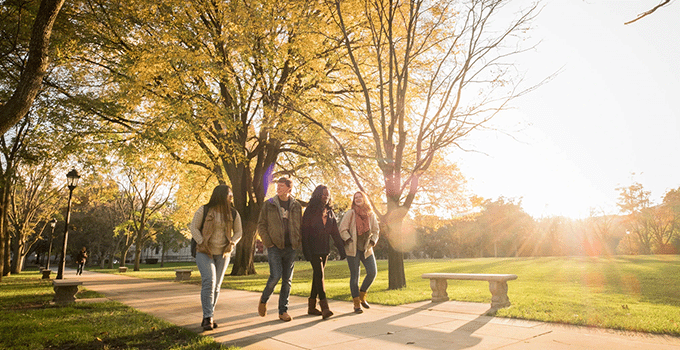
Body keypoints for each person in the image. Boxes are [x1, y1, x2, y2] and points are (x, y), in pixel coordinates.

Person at [189, 184, 242, 331]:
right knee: (209, 281)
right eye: (229, 194)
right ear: (221, 195)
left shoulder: (233, 213)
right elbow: (193, 227)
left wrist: (232, 243)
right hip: (204, 252)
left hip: (223, 253)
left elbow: (239, 232)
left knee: (217, 286)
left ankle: (209, 315)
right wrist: (201, 242)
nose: (231, 196)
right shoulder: (204, 210)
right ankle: (208, 318)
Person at [257, 177, 302, 322]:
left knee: (287, 280)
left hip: (290, 247)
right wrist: (268, 242)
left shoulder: (296, 206)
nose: (278, 188)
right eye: (277, 186)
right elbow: (261, 225)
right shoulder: (269, 204)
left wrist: (298, 241)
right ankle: (264, 299)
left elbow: (300, 225)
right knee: (275, 276)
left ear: (289, 188)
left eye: (281, 186)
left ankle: (283, 311)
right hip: (274, 247)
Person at [301, 185, 346, 319]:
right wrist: (306, 251)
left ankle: (311, 307)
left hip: (324, 249)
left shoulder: (330, 212)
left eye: (328, 195)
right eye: (323, 194)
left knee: (317, 277)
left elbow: (335, 233)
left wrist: (341, 249)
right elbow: (304, 233)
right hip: (313, 249)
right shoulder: (310, 210)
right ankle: (325, 307)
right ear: (317, 195)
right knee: (319, 275)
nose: (326, 197)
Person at [338, 191, 380, 313]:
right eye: (355, 198)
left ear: (364, 198)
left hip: (366, 249)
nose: (358, 199)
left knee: (372, 272)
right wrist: (349, 239)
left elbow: (376, 231)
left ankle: (362, 296)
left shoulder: (371, 215)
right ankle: (357, 304)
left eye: (360, 197)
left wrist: (372, 242)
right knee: (355, 276)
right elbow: (342, 229)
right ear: (353, 200)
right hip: (353, 249)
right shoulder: (350, 213)